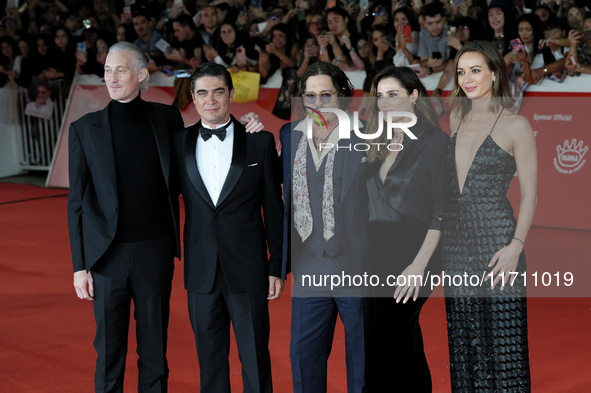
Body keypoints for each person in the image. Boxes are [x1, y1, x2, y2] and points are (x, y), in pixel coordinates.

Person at [68, 41, 184, 393]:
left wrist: (248, 128)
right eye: (107, 70)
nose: (112, 77)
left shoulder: (166, 119)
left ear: (141, 74)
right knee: (108, 351)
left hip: (155, 251)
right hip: (107, 256)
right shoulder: (84, 129)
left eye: (120, 69)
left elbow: (196, 161)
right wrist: (79, 265)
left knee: (154, 348)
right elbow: (76, 202)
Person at [173, 62, 284, 393]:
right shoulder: (178, 143)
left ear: (231, 94)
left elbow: (274, 209)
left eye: (218, 91)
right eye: (202, 93)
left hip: (248, 268)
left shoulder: (260, 142)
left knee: (254, 359)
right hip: (201, 271)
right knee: (210, 361)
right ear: (193, 97)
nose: (210, 100)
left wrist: (276, 266)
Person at [442, 40, 537, 391]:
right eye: (462, 72)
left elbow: (530, 193)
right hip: (456, 245)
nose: (467, 79)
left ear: (495, 73)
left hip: (498, 240)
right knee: (465, 341)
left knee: (504, 339)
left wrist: (516, 245)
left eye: (475, 70)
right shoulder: (455, 116)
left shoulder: (516, 125)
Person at [280, 62, 370, 393]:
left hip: (355, 264)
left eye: (326, 94)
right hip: (309, 264)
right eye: (310, 95)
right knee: (304, 359)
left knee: (363, 360)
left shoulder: (365, 135)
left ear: (343, 96)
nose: (318, 103)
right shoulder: (290, 135)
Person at [363, 66, 449, 392]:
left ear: (414, 96)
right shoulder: (374, 139)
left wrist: (418, 266)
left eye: (393, 94)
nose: (384, 103)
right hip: (375, 252)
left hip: (416, 252)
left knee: (390, 336)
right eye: (380, 96)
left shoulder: (435, 141)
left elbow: (441, 211)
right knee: (395, 336)